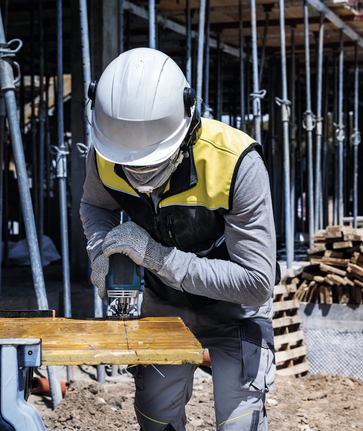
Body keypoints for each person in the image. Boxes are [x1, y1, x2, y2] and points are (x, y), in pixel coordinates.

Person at [80, 47, 277, 431]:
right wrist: (101, 250)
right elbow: (95, 205)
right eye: (129, 165)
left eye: (152, 162)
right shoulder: (105, 152)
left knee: (240, 422)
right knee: (157, 417)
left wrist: (155, 256)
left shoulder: (236, 162)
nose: (138, 174)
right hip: (163, 306)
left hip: (235, 311)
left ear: (187, 124)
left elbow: (256, 284)